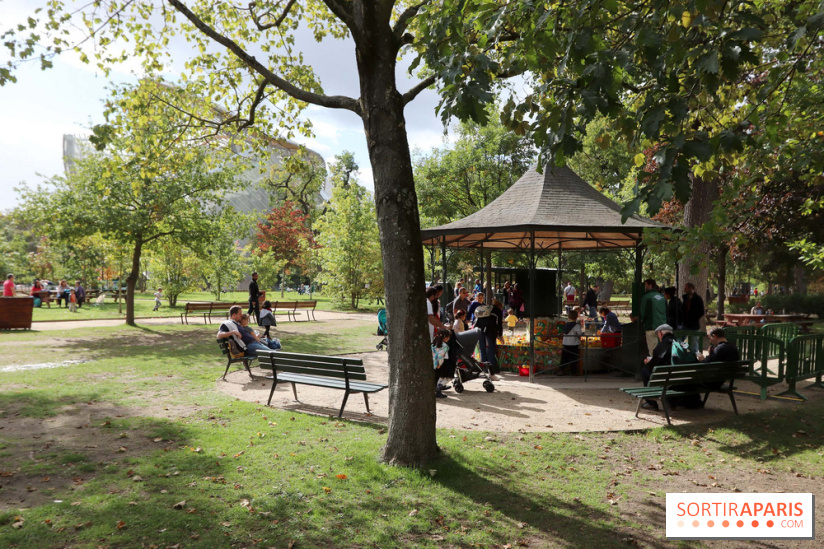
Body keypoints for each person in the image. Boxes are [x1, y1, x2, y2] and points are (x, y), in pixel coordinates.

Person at [640, 324, 676, 410]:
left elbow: (654, 365)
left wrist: (648, 362)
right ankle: (672, 401)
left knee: (645, 372)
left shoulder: (662, 345)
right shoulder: (679, 343)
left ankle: (651, 403)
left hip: (665, 377)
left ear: (660, 333)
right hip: (677, 376)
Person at [633, 278, 667, 356]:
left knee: (653, 351)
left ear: (650, 285)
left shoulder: (646, 297)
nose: (644, 287)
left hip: (651, 327)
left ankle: (655, 366)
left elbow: (643, 313)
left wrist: (640, 320)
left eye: (645, 285)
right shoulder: (662, 297)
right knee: (663, 350)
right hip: (663, 328)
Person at [472, 303, 501, 380]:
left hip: (479, 329)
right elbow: (499, 323)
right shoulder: (498, 310)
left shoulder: (483, 308)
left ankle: (484, 368)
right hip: (491, 330)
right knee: (491, 350)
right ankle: (491, 370)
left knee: (482, 349)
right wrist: (500, 334)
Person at [681, 282, 705, 353]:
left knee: (694, 343)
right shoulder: (685, 298)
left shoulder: (698, 299)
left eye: (686, 288)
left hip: (694, 325)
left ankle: (695, 356)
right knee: (680, 340)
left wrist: (694, 318)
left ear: (691, 288)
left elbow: (701, 312)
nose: (684, 290)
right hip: (685, 324)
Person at [560, 310, 584, 375]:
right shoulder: (576, 326)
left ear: (568, 317)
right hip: (574, 344)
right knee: (574, 359)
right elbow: (579, 333)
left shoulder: (566, 324)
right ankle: (573, 371)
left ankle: (562, 370)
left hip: (565, 344)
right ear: (576, 317)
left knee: (564, 358)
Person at [432, 328, 452, 398]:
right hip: (442, 363)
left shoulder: (434, 343)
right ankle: (438, 389)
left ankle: (437, 390)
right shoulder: (444, 346)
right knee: (447, 377)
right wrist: (439, 364)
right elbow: (441, 356)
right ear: (446, 337)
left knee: (436, 378)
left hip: (434, 363)